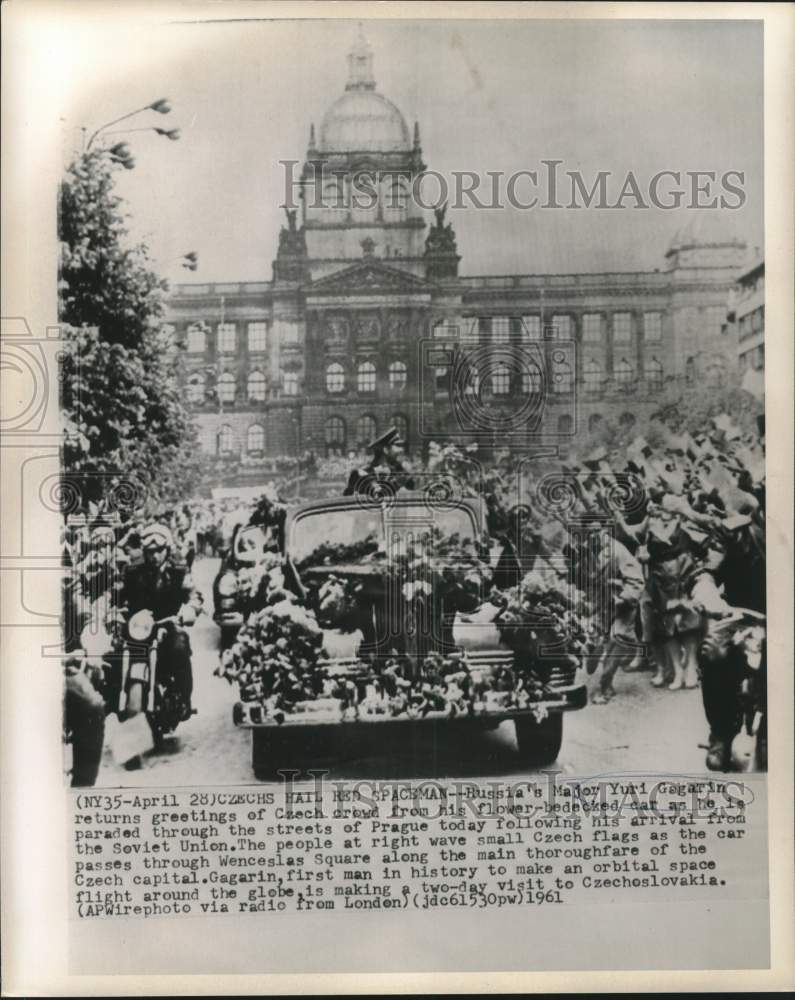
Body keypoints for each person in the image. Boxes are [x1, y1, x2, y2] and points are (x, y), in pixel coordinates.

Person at [120, 523, 201, 720]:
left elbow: (194, 595)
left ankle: (183, 699)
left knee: (179, 647)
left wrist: (189, 610)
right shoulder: (133, 571)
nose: (155, 556)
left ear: (167, 550)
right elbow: (118, 595)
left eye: (159, 551)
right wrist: (113, 611)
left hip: (169, 623)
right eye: (150, 552)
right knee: (115, 651)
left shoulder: (179, 571)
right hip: (139, 627)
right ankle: (114, 700)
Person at [343, 426, 414, 497]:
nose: (401, 450)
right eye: (397, 446)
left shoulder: (402, 474)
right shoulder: (359, 474)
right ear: (386, 450)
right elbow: (345, 501)